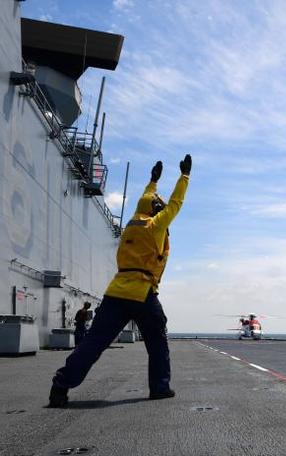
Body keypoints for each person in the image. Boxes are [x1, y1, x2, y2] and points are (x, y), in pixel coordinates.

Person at [48, 155, 192, 407]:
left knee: (93, 343)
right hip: (142, 292)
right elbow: (176, 204)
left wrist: (153, 181)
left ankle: (60, 385)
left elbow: (145, 200)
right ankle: (159, 387)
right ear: (156, 209)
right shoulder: (155, 226)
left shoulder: (131, 224)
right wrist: (184, 177)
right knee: (157, 341)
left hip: (115, 291)